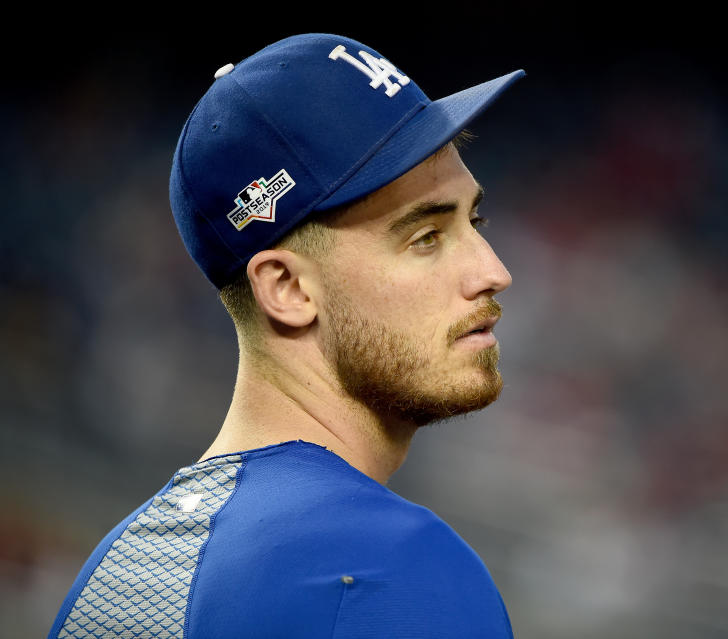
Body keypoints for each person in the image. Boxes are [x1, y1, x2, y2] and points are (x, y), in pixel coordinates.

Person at [49, 33, 524, 638]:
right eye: (425, 237)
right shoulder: (393, 565)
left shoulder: (114, 577)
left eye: (473, 220)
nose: (494, 272)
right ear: (288, 289)